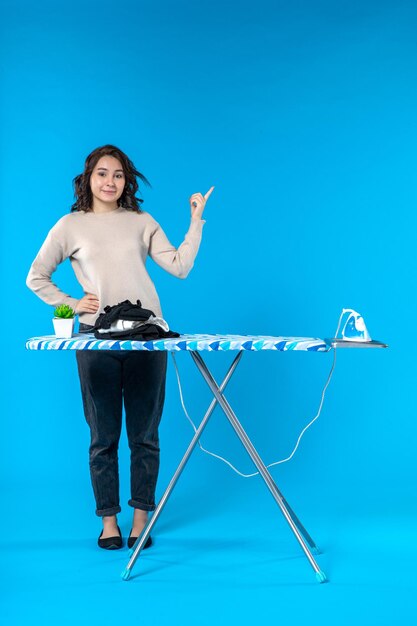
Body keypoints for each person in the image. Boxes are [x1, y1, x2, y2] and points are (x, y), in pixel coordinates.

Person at [26, 144, 214, 550]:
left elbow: (179, 267)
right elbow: (36, 276)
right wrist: (74, 304)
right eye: (102, 173)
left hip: (148, 337)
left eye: (118, 175)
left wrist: (195, 222)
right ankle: (109, 522)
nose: (110, 181)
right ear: (88, 178)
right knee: (103, 434)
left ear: (126, 181)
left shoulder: (141, 221)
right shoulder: (70, 225)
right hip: (96, 337)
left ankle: (141, 519)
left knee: (145, 434)